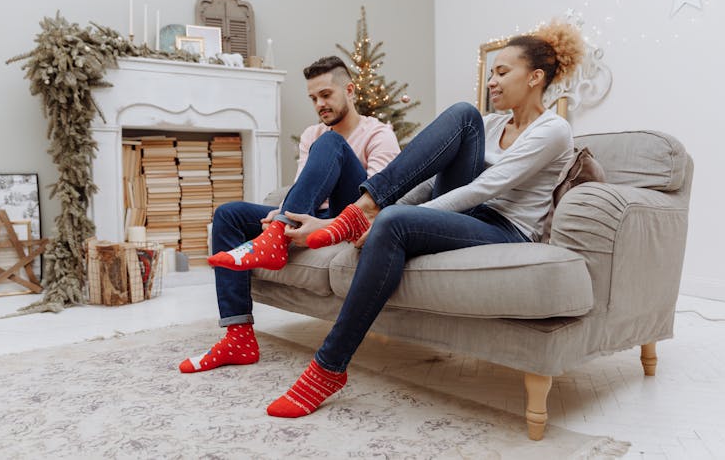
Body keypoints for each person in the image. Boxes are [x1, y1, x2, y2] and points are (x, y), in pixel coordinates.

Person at [265, 21, 585, 418]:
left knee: (397, 221)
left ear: (535, 77)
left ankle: (328, 367)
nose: (492, 82)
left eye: (503, 72)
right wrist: (377, 208)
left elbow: (483, 189)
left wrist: (392, 217)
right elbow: (433, 180)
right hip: (468, 213)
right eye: (492, 74)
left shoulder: (554, 129)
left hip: (506, 229)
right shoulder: (491, 124)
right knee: (464, 115)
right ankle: (362, 210)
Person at [178, 56, 400, 373]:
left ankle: (276, 234)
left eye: (326, 95)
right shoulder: (312, 134)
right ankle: (238, 336)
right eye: (313, 98)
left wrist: (304, 222)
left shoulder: (378, 135)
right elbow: (304, 191)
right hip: (305, 216)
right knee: (229, 215)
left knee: (333, 143)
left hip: (349, 217)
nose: (319, 104)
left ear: (349, 90)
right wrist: (282, 215)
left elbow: (378, 203)